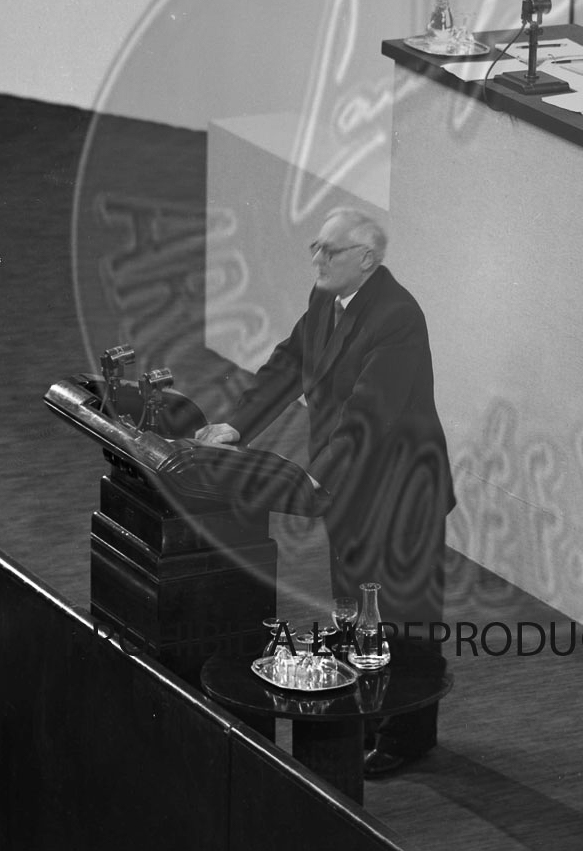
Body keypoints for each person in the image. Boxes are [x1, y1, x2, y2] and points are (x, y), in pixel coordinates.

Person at [197, 206, 455, 778]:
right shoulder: (326, 298)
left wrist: (317, 476)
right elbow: (289, 363)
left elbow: (369, 415)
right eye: (316, 246)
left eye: (329, 251)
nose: (316, 258)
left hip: (399, 490)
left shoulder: (397, 318)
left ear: (367, 259)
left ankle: (408, 736)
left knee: (405, 614)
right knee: (354, 603)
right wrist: (236, 425)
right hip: (347, 484)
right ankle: (364, 714)